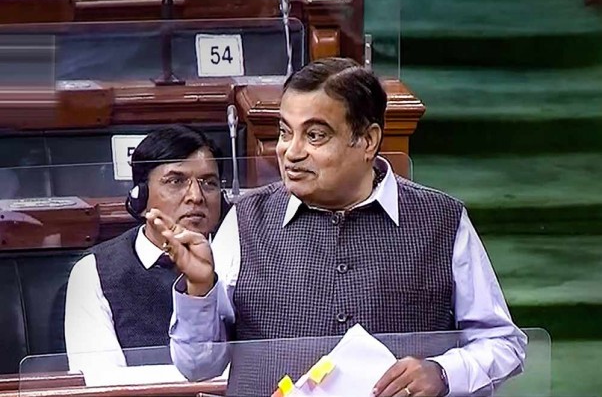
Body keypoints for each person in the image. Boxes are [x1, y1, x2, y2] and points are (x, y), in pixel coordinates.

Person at [149, 57, 527, 397]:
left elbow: (502, 343)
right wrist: (200, 289)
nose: (291, 151)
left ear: (367, 140)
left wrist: (443, 373)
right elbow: (197, 366)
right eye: (285, 132)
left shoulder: (441, 220)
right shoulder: (246, 219)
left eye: (315, 135)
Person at [64, 126, 228, 371]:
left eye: (209, 183)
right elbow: (101, 380)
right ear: (140, 196)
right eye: (176, 181)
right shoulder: (94, 272)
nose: (196, 196)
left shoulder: (240, 255)